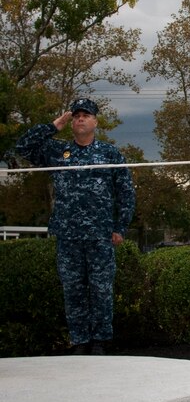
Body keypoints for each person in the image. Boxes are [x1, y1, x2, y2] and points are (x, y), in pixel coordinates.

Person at [16, 98, 136, 355]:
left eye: (86, 115)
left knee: (101, 288)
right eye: (76, 115)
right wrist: (52, 126)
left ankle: (100, 341)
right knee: (73, 290)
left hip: (100, 234)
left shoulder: (110, 154)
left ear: (95, 121)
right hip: (68, 234)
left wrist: (120, 227)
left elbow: (125, 193)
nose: (80, 119)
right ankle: (80, 341)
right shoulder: (58, 152)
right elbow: (23, 147)